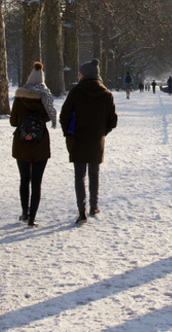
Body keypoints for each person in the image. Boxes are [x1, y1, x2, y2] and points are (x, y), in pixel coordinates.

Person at [59, 59, 117, 225]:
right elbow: (113, 120)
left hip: (78, 139)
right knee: (94, 173)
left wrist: (69, 134)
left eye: (80, 73)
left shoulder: (75, 92)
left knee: (79, 176)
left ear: (85, 75)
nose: (78, 75)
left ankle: (81, 211)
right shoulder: (106, 94)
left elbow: (64, 115)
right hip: (96, 140)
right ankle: (94, 206)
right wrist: (101, 132)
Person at [10, 61, 55, 227]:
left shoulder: (19, 97)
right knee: (37, 182)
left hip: (21, 144)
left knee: (24, 179)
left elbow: (13, 122)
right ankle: (32, 217)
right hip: (40, 144)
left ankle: (24, 211)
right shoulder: (45, 97)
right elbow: (49, 117)